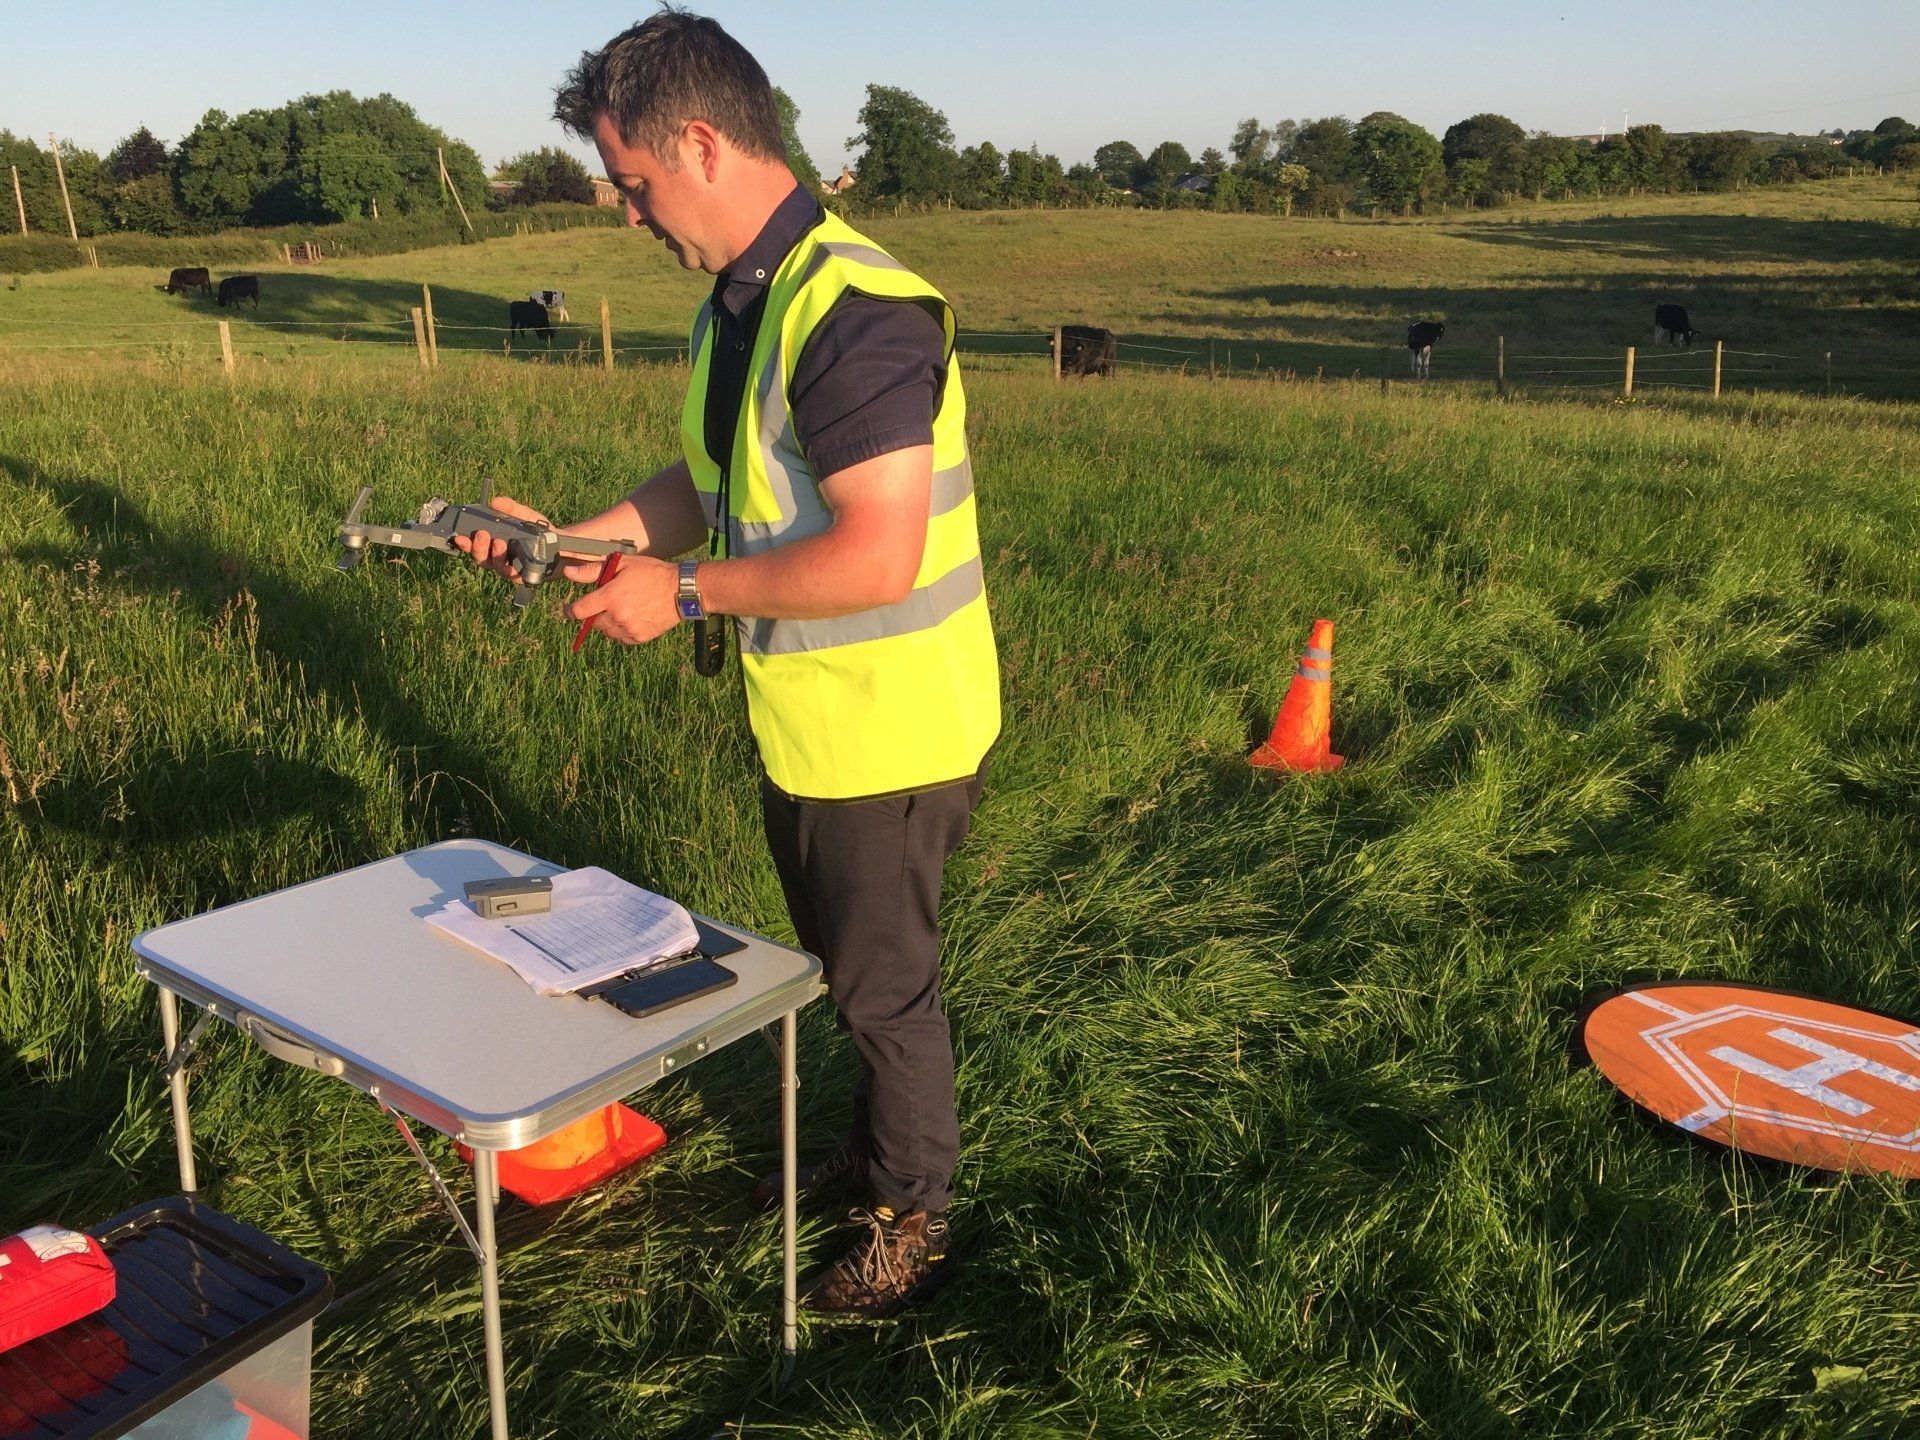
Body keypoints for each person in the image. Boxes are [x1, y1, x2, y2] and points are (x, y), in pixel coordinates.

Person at [458, 8, 999, 1320]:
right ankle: (868, 1161)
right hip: (814, 722)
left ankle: (911, 1220)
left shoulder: (854, 310)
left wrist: (684, 594)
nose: (629, 213)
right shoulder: (743, 304)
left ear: (701, 144)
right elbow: (710, 488)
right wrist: (571, 541)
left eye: (634, 182)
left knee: (884, 994)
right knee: (850, 973)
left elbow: (877, 553)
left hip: (892, 732)